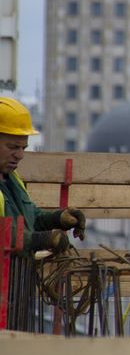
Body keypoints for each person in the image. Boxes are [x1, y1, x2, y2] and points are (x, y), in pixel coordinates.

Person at [0, 97, 86, 254]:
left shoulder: (11, 179)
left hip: (15, 275)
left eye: (23, 148)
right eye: (12, 147)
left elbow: (31, 218)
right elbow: (3, 234)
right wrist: (43, 240)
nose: (20, 155)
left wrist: (59, 218)